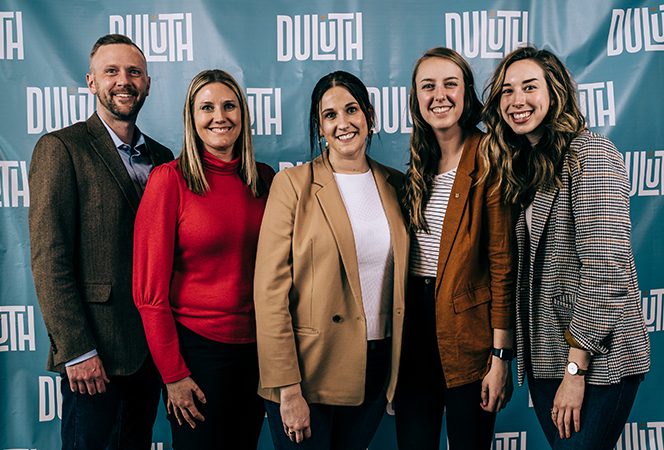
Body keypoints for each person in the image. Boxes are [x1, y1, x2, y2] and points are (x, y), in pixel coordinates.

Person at [480, 46, 650, 449]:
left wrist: (576, 369)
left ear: (554, 92)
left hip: (596, 362)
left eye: (529, 87)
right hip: (546, 360)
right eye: (506, 90)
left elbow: (606, 268)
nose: (516, 100)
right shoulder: (529, 164)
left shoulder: (590, 154)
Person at [29, 34, 173, 449]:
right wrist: (76, 350)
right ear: (91, 82)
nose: (123, 80)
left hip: (150, 352)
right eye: (111, 71)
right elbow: (49, 258)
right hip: (95, 354)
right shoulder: (61, 148)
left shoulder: (164, 158)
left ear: (147, 83)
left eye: (133, 72)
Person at [253, 71, 408, 450]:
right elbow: (269, 292)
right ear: (320, 127)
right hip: (308, 371)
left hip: (375, 367)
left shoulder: (398, 185)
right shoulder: (292, 185)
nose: (343, 123)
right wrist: (287, 388)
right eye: (330, 115)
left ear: (369, 116)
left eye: (352, 110)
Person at [132, 69, 274, 449]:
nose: (219, 116)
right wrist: (173, 375)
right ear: (191, 119)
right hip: (197, 352)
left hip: (257, 350)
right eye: (206, 107)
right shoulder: (170, 180)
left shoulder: (264, 180)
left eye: (229, 106)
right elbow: (149, 295)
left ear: (243, 115)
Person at [394, 47, 517, 450]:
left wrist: (500, 358)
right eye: (428, 86)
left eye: (450, 83)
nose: (440, 95)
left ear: (466, 91)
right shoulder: (418, 162)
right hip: (413, 330)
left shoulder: (489, 155)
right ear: (416, 99)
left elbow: (502, 265)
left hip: (469, 335)